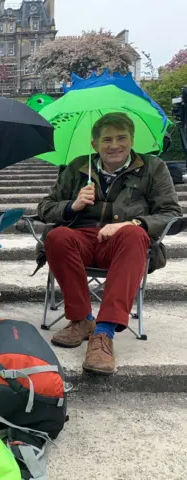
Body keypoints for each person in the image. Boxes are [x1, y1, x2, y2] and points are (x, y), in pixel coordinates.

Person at [38, 112, 181, 375]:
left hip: (124, 245)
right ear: (95, 144)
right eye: (106, 140)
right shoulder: (79, 167)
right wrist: (73, 205)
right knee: (56, 236)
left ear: (132, 139)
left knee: (135, 235)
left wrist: (133, 223)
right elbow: (45, 208)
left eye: (121, 138)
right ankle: (81, 320)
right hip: (80, 242)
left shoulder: (153, 167)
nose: (114, 145)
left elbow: (171, 213)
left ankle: (103, 334)